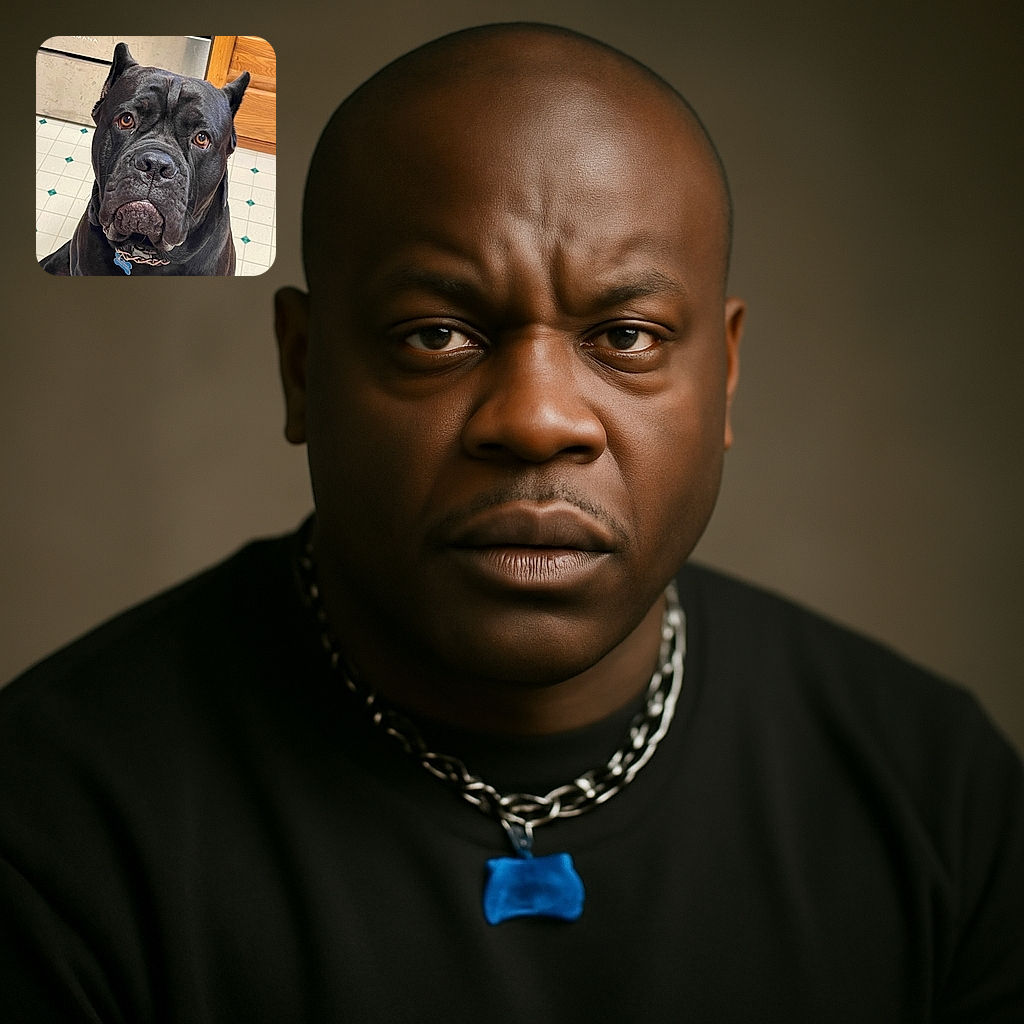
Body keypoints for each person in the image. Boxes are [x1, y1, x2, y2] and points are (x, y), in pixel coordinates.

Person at [1, 22, 1021, 1022]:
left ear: (726, 377)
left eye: (625, 335)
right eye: (436, 334)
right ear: (303, 367)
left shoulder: (943, 799)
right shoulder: (50, 819)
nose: (536, 420)